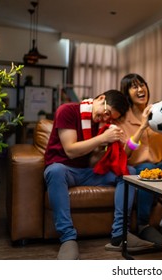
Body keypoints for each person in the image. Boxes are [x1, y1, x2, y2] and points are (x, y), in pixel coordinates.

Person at [44, 89, 154, 260]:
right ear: (101, 99)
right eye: (106, 113)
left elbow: (122, 154)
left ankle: (120, 234)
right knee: (55, 170)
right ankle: (67, 238)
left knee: (129, 172)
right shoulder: (67, 110)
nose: (104, 119)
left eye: (109, 118)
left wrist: (136, 131)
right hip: (64, 169)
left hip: (87, 171)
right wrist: (102, 139)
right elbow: (71, 150)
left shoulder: (103, 126)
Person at [115, 73, 162, 247]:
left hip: (159, 165)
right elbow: (126, 153)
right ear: (127, 92)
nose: (140, 89)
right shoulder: (122, 118)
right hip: (138, 167)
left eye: (142, 85)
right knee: (147, 168)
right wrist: (142, 126)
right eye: (134, 86)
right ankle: (143, 225)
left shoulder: (160, 112)